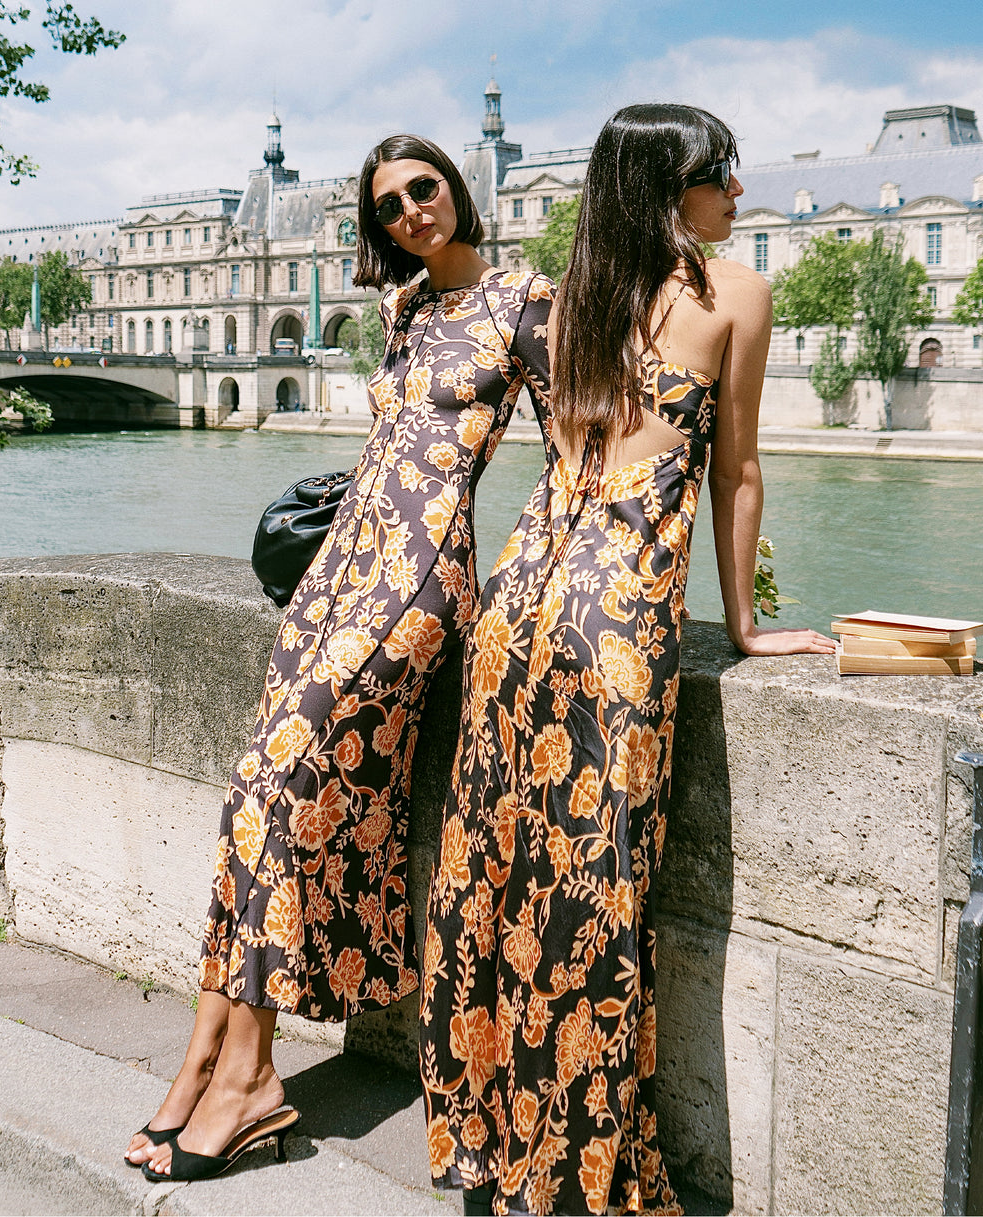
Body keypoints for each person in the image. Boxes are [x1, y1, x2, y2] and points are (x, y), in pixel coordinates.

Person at [419, 104, 835, 1216]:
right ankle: (577, 1174)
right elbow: (736, 474)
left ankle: (492, 1147)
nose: (738, 192)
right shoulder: (732, 293)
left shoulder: (565, 302)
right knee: (596, 900)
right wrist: (746, 630)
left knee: (494, 876)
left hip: (517, 605)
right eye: (721, 173)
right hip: (612, 624)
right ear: (668, 189)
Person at [125, 133, 555, 1181]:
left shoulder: (528, 302)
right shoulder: (403, 309)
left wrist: (546, 574)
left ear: (456, 189)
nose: (412, 210)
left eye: (425, 188)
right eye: (391, 203)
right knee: (254, 790)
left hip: (417, 580)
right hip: (338, 570)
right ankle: (202, 1062)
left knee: (290, 788)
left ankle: (252, 1076)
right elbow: (388, 446)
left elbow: (574, 447)